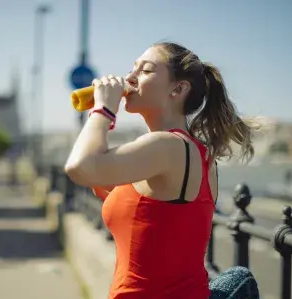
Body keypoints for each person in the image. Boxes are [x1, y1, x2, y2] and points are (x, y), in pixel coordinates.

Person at [64, 42, 259, 299]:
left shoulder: (167, 146)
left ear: (178, 89)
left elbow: (80, 167)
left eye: (144, 71)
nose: (130, 78)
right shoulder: (193, 152)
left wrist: (103, 110)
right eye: (132, 69)